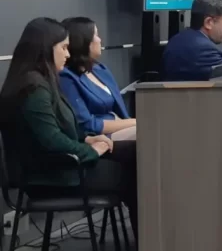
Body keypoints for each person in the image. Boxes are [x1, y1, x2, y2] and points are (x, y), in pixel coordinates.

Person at [0, 18, 138, 237]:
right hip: (51, 178)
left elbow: (59, 130)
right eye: (63, 47)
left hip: (59, 168)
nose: (67, 53)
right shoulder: (33, 89)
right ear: (46, 48)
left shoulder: (40, 82)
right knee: (136, 173)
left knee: (136, 154)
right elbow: (53, 140)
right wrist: (91, 151)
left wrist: (86, 139)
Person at [59, 17, 136, 140]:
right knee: (150, 132)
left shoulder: (100, 69)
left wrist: (132, 122)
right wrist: (135, 122)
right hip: (98, 137)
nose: (100, 40)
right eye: (96, 35)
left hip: (123, 127)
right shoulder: (66, 77)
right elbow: (86, 125)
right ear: (82, 41)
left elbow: (121, 112)